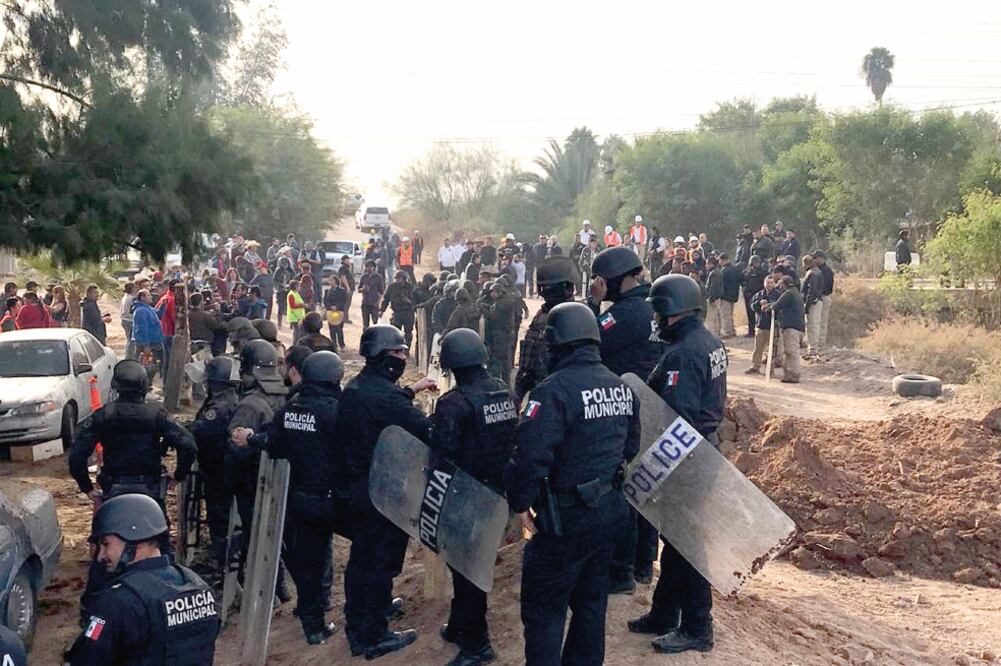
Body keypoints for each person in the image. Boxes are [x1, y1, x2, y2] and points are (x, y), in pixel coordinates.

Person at [504, 302, 639, 666]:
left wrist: (519, 503)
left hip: (565, 518)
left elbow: (530, 456)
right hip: (609, 511)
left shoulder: (552, 392)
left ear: (556, 345)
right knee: (591, 604)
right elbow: (631, 446)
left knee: (545, 610)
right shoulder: (621, 387)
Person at [629, 273, 726, 655]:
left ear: (671, 310)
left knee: (688, 547)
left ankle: (698, 627)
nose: (654, 319)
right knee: (676, 540)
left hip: (687, 457)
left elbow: (674, 417)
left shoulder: (683, 355)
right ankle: (665, 612)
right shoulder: (707, 341)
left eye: (657, 310)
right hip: (704, 449)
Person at [232, 351, 346, 645]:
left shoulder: (290, 409)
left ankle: (313, 625)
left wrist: (250, 438)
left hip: (299, 499)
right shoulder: (338, 410)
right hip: (336, 498)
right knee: (359, 554)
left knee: (307, 563)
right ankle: (358, 613)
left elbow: (274, 444)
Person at [337, 325, 436, 658]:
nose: (403, 358)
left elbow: (382, 404)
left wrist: (410, 391)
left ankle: (361, 617)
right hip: (382, 492)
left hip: (356, 488)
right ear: (381, 356)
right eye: (397, 353)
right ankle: (373, 635)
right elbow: (424, 429)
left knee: (362, 560)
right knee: (380, 563)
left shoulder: (355, 388)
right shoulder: (385, 396)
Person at [432, 329, 517, 666]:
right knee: (470, 566)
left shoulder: (453, 403)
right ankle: (458, 625)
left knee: (467, 572)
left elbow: (443, 456)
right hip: (497, 493)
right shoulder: (504, 393)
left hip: (465, 496)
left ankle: (477, 645)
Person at [586, 246, 664, 593]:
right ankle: (645, 565)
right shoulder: (658, 307)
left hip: (624, 411)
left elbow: (585, 341)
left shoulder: (622, 314)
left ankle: (623, 570)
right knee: (650, 487)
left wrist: (593, 304)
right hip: (658, 407)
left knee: (626, 489)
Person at [65, 494, 219, 665]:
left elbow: (86, 659)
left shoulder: (117, 601)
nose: (101, 555)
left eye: (106, 543)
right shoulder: (198, 585)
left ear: (132, 539)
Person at [69, 359, 196, 507]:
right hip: (150, 489)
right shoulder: (156, 413)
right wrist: (178, 475)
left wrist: (87, 488)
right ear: (144, 386)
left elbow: (76, 455)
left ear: (115, 386)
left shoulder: (103, 415)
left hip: (113, 488)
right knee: (160, 528)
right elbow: (188, 445)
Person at [226, 340, 290, 584]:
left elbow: (235, 450)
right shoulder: (283, 395)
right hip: (276, 482)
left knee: (256, 540)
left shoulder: (250, 405)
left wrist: (228, 484)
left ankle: (268, 590)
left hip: (252, 485)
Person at [189, 356, 240, 575]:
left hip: (218, 472)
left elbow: (202, 431)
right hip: (219, 469)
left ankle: (225, 568)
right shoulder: (224, 398)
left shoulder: (220, 405)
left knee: (220, 521)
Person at [515, 257, 575, 401]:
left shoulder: (570, 314)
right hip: (543, 383)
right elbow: (530, 351)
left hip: (559, 386)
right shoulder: (544, 313)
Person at [766, 276, 805, 383]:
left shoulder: (789, 293)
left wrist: (768, 307)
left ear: (784, 284)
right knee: (789, 352)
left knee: (792, 352)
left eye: (780, 283)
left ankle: (794, 375)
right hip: (796, 326)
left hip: (792, 327)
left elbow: (778, 305)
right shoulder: (795, 292)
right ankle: (789, 374)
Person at [746, 275, 784, 374]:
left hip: (773, 327)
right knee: (758, 348)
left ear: (774, 284)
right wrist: (759, 304)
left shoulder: (779, 295)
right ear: (764, 283)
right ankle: (755, 366)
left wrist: (769, 305)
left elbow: (781, 308)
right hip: (760, 325)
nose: (769, 285)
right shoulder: (759, 295)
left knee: (772, 349)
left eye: (771, 283)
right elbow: (751, 306)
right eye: (767, 282)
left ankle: (770, 369)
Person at [483, 282, 516, 384]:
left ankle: (496, 382)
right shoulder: (505, 300)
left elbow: (494, 317)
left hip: (501, 335)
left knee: (497, 360)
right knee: (505, 360)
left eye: (493, 292)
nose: (491, 294)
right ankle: (506, 383)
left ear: (500, 292)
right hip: (505, 334)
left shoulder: (503, 303)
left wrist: (483, 309)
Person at [801, 255, 825, 358]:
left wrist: (806, 306)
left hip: (813, 302)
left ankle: (813, 350)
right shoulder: (817, 271)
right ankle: (812, 348)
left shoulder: (812, 273)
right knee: (813, 326)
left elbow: (812, 291)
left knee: (812, 326)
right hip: (815, 301)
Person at [741, 255, 767, 338]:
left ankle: (758, 331)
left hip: (758, 295)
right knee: (751, 314)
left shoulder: (761, 272)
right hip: (750, 295)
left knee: (760, 314)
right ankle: (751, 331)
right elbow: (743, 282)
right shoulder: (747, 272)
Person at [814, 250, 835, 350]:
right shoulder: (818, 269)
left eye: (816, 258)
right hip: (819, 297)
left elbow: (825, 286)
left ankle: (820, 343)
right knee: (816, 321)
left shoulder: (826, 270)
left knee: (822, 321)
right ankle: (816, 342)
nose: (814, 260)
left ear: (821, 258)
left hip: (823, 297)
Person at [718, 254, 742, 339]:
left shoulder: (723, 271)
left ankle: (727, 332)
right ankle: (732, 330)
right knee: (730, 314)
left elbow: (721, 284)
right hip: (734, 295)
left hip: (725, 295)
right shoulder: (735, 269)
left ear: (723, 260)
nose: (719, 262)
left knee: (725, 314)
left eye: (720, 260)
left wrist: (719, 295)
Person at [323, 276, 349, 351]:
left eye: (332, 280)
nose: (330, 282)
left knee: (339, 329)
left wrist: (337, 306)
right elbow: (325, 302)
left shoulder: (342, 291)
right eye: (330, 281)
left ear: (336, 281)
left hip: (339, 311)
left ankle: (342, 345)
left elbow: (344, 301)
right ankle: (334, 345)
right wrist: (330, 306)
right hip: (330, 312)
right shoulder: (327, 291)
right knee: (332, 330)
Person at [359, 260, 385, 331]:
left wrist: (378, 302)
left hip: (374, 303)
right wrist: (363, 289)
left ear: (374, 267)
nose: (368, 268)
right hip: (365, 303)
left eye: (370, 266)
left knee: (375, 324)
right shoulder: (364, 277)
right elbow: (359, 289)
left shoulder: (378, 277)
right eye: (367, 266)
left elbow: (381, 292)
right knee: (365, 324)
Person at [703, 256, 723, 338]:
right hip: (715, 298)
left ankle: (712, 337)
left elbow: (714, 287)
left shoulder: (715, 273)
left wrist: (711, 298)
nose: (705, 265)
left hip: (713, 299)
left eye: (707, 263)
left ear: (711, 263)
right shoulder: (714, 272)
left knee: (712, 319)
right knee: (715, 319)